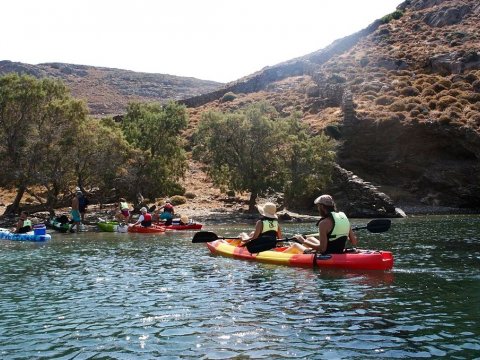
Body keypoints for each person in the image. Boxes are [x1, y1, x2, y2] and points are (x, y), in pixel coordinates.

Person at [283, 194, 358, 254]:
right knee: (310, 239)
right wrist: (341, 235)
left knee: (295, 245)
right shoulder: (343, 217)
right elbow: (354, 242)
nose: (318, 209)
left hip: (329, 254)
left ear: (322, 207)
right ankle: (305, 248)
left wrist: (303, 241)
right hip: (340, 250)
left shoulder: (323, 223)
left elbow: (322, 249)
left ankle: (277, 256)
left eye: (318, 206)